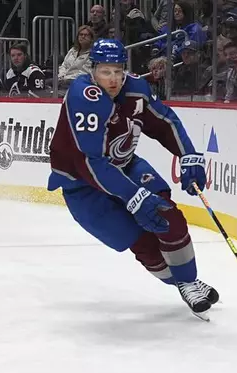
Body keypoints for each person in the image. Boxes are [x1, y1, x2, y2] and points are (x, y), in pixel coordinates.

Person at [47, 38, 219, 319]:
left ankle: (189, 281)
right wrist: (133, 197)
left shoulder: (136, 89)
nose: (113, 79)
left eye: (118, 71)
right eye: (105, 71)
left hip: (125, 166)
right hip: (82, 187)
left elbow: (164, 121)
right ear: (92, 70)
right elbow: (90, 162)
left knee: (164, 214)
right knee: (144, 244)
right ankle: (181, 281)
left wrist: (188, 155)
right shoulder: (84, 96)